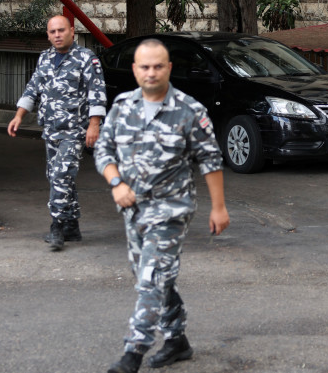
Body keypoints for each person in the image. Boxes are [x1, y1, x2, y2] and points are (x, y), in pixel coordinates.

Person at [94, 38, 230, 373]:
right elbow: (103, 150)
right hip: (133, 208)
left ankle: (133, 353)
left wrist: (219, 207)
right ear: (135, 70)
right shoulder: (122, 106)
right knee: (153, 276)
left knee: (151, 278)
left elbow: (210, 160)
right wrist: (116, 182)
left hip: (171, 209)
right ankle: (177, 339)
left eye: (158, 66)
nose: (151, 72)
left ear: (169, 68)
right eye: (145, 67)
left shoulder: (189, 110)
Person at [7, 14, 107, 250]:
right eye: (53, 32)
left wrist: (94, 125)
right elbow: (32, 89)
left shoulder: (86, 58)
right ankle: (72, 225)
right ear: (48, 35)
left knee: (61, 175)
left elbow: (97, 92)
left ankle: (58, 226)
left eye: (61, 30)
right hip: (51, 130)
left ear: (72, 31)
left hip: (75, 130)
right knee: (58, 176)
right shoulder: (45, 58)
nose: (57, 35)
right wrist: (19, 116)